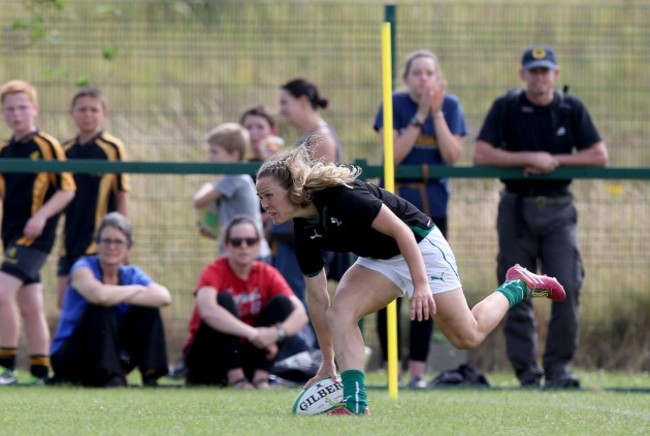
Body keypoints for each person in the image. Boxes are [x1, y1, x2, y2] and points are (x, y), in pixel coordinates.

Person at [255, 144, 566, 415]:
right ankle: (355, 404)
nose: (264, 205)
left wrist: (420, 284)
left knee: (467, 336)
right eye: (260, 197)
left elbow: (403, 231)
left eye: (268, 195)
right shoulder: (303, 229)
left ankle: (518, 285)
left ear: (293, 188)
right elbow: (318, 297)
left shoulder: (340, 198)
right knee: (339, 312)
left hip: (420, 247)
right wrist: (327, 360)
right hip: (380, 261)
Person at [474, 45, 608, 388]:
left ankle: (559, 366)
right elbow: (481, 153)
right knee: (514, 286)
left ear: (556, 74)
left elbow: (598, 154)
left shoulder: (570, 108)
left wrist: (555, 161)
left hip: (559, 209)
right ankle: (527, 372)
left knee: (567, 283)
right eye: (533, 71)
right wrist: (527, 158)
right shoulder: (506, 107)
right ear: (522, 75)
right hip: (516, 208)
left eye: (545, 71)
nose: (539, 77)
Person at [373, 49, 467, 388]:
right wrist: (419, 115)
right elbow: (393, 156)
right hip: (392, 208)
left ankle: (417, 371)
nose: (423, 79)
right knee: (388, 287)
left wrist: (437, 114)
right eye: (417, 73)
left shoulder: (451, 106)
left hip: (432, 208)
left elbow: (453, 156)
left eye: (429, 73)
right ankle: (392, 368)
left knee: (428, 287)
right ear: (406, 78)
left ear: (437, 78)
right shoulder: (393, 105)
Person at [0, 79, 76, 386]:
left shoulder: (47, 145)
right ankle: (42, 372)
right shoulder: (5, 150)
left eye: (22, 107)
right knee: (30, 305)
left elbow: (67, 189)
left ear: (34, 110)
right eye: (10, 109)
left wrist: (42, 216)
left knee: (2, 292)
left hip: (36, 236)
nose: (16, 114)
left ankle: (5, 367)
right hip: (12, 235)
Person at [182, 214, 310, 388]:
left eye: (250, 241)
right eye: (236, 242)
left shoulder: (267, 273)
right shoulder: (214, 270)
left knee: (282, 304)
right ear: (226, 245)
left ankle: (260, 378)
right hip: (208, 356)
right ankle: (237, 379)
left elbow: (300, 314)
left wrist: (274, 334)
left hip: (247, 356)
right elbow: (208, 311)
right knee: (223, 301)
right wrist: (253, 334)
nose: (243, 246)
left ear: (258, 245)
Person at [50, 212, 171, 387]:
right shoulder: (83, 268)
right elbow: (99, 296)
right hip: (72, 357)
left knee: (148, 308)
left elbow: (164, 297)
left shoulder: (131, 274)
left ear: (128, 247)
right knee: (102, 307)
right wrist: (136, 290)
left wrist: (126, 292)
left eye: (118, 241)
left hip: (115, 355)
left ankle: (150, 373)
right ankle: (110, 376)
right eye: (106, 241)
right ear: (97, 244)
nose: (111, 247)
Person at [56, 86, 130, 309]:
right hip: (69, 239)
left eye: (93, 110)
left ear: (103, 113)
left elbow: (122, 194)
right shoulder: (63, 150)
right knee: (64, 303)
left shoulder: (112, 148)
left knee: (98, 303)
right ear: (72, 113)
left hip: (99, 239)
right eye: (82, 109)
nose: (88, 115)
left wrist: (123, 237)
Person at [193, 122, 271, 261]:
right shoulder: (232, 178)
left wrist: (206, 186)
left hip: (251, 254)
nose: (210, 157)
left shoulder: (234, 178)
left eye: (215, 152)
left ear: (234, 155)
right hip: (240, 251)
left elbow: (199, 201)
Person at [279, 77, 342, 163]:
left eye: (284, 102)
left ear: (303, 101)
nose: (281, 110)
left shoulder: (320, 138)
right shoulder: (309, 135)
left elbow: (323, 176)